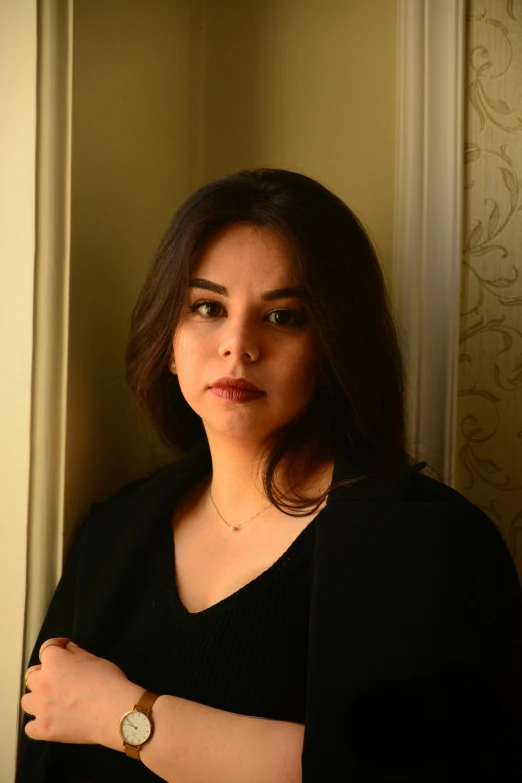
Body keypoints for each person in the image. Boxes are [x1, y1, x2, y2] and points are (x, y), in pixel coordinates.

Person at [16, 168, 522, 782]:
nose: (238, 344)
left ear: (332, 349)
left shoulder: (432, 544)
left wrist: (125, 717)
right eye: (208, 307)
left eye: (283, 318)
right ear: (169, 343)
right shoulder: (115, 532)